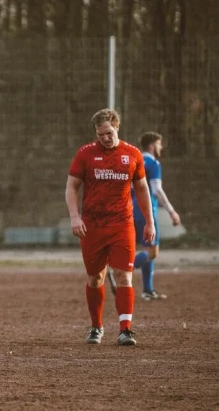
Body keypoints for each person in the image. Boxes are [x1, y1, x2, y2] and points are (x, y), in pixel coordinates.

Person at [65, 108, 156, 347]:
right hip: (92, 226)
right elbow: (71, 187)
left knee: (124, 276)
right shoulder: (85, 154)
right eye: (100, 134)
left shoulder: (133, 154)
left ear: (117, 127)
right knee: (95, 279)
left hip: (121, 224)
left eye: (108, 132)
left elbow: (142, 189)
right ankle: (96, 327)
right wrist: (75, 217)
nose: (105, 137)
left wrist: (149, 221)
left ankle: (126, 329)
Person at [131, 132, 181, 300]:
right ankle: (121, 270)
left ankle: (148, 289)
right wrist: (172, 211)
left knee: (147, 249)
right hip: (146, 211)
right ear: (151, 146)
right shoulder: (153, 163)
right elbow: (157, 190)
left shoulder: (133, 160)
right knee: (152, 252)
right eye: (159, 144)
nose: (161, 147)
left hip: (129, 209)